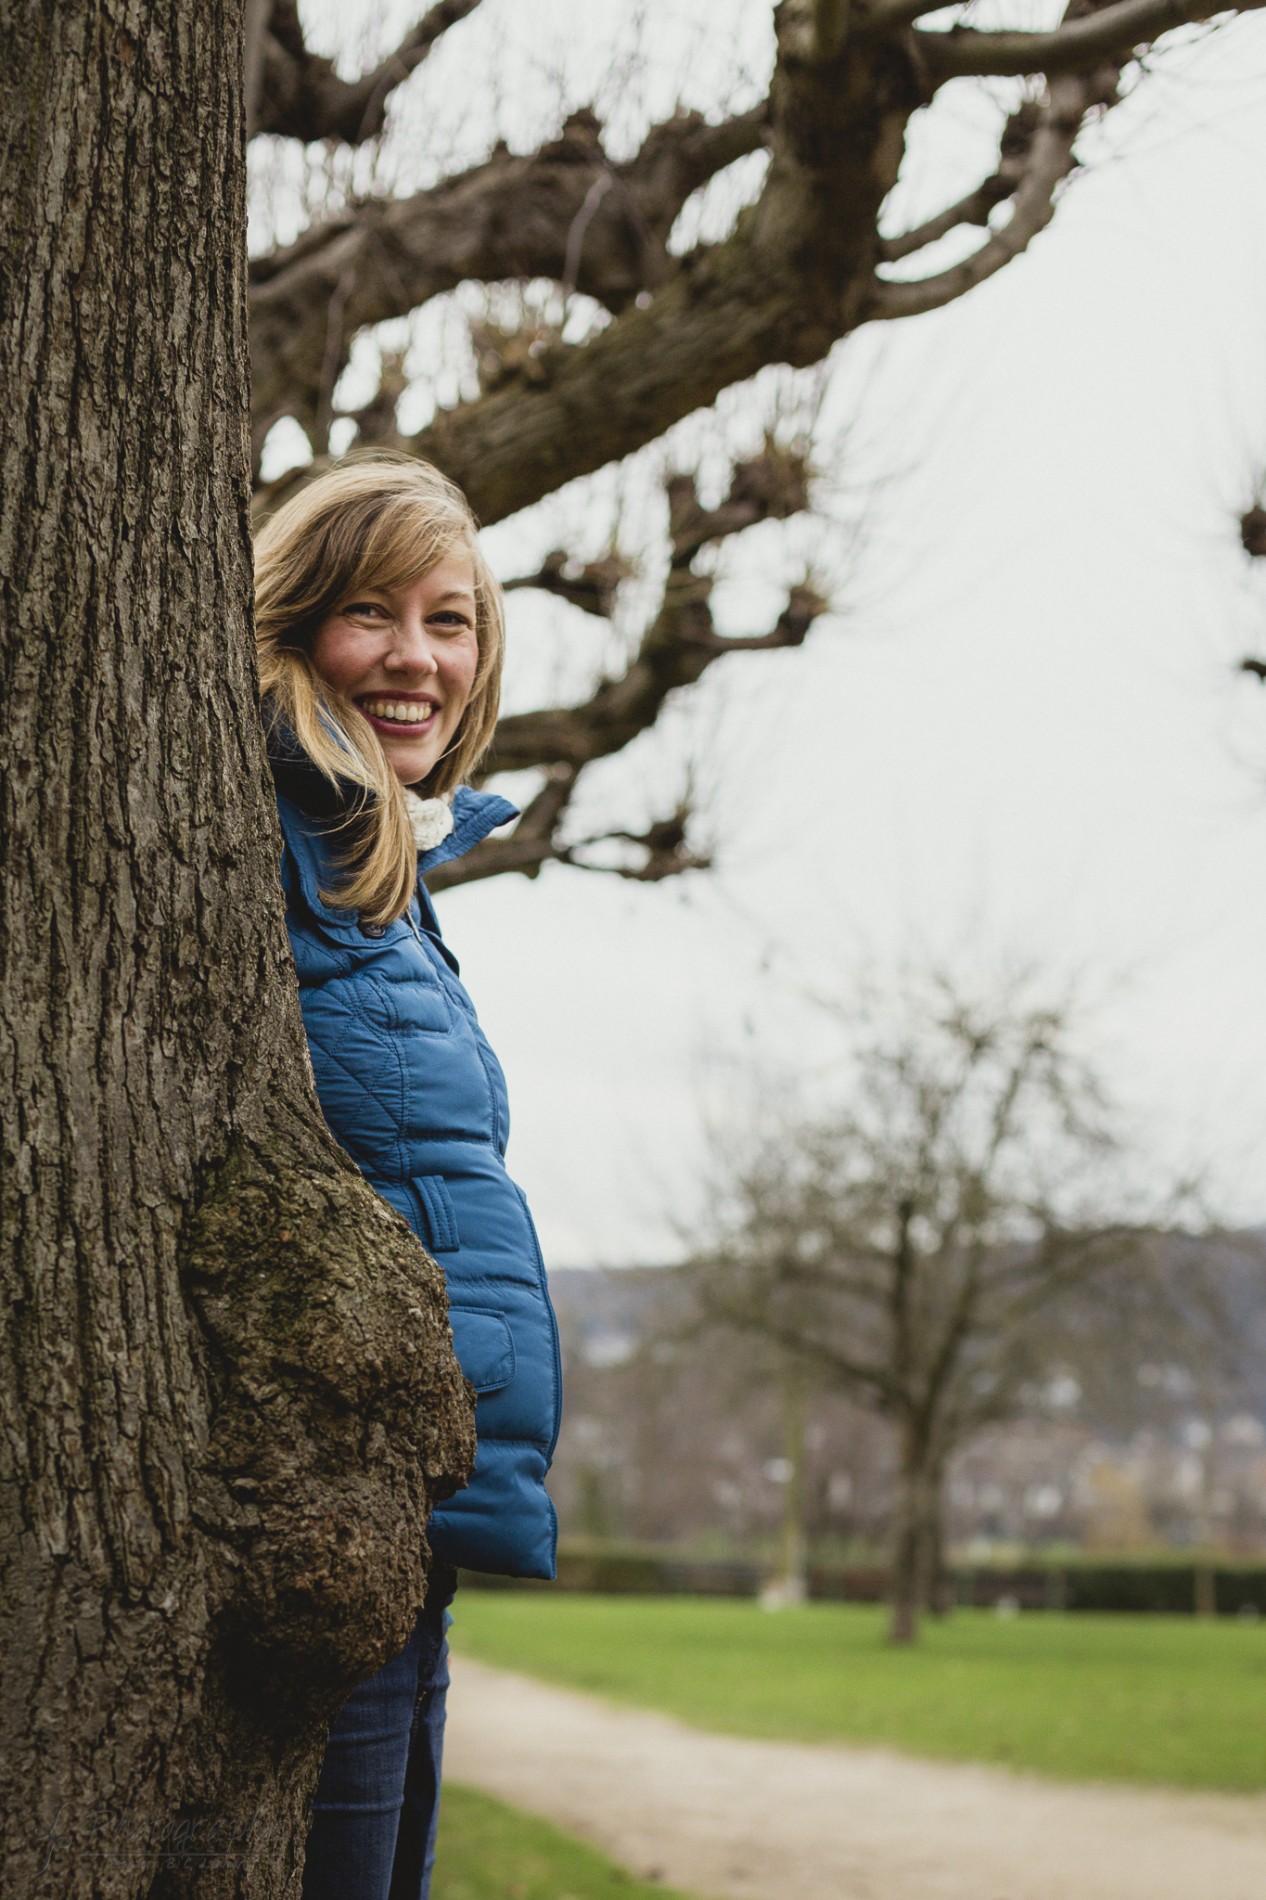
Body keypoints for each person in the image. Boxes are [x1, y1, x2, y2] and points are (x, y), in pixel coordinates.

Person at [253, 454, 562, 1900]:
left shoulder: (382, 863)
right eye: (372, 613)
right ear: (292, 626)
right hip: (320, 1493)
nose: (419, 658)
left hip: (403, 1501)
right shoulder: (284, 831)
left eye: (452, 620)